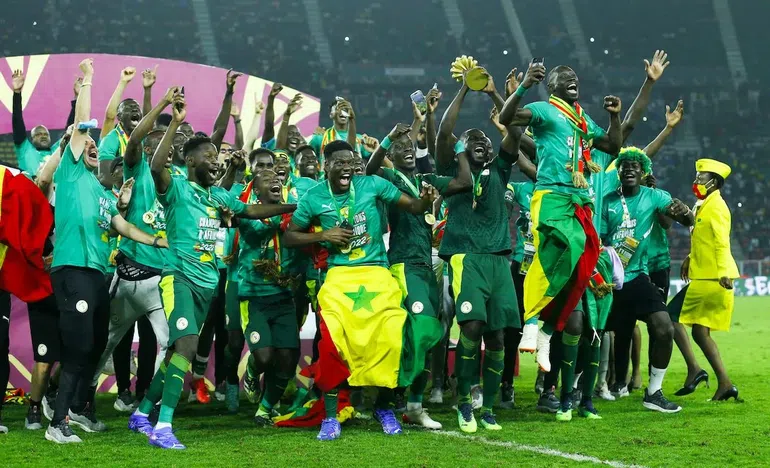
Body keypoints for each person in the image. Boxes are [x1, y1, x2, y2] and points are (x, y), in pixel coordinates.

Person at [127, 91, 295, 450]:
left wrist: (290, 207)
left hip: (207, 285)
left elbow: (250, 211)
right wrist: (174, 121)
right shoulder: (176, 187)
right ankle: (163, 427)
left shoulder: (218, 197)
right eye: (208, 157)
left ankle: (141, 414)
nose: (216, 162)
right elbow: (155, 167)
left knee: (175, 354)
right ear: (190, 161)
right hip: (179, 279)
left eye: (217, 158)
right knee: (186, 347)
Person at [46, 58, 169, 444]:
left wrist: (155, 240)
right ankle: (57, 421)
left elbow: (123, 226)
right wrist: (89, 80)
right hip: (72, 271)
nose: (93, 147)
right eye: (87, 144)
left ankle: (79, 409)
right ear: (74, 150)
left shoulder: (101, 193)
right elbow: (86, 123)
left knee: (97, 345)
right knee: (79, 347)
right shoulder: (70, 173)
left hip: (97, 277)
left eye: (95, 146)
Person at [283, 140, 437, 441]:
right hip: (339, 277)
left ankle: (384, 407)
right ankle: (331, 417)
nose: (347, 168)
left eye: (351, 162)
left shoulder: (372, 184)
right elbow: (290, 237)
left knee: (392, 336)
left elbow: (414, 206)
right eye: (339, 163)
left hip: (376, 272)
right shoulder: (314, 197)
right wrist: (324, 234)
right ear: (326, 166)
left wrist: (425, 200)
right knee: (332, 345)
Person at [499, 61, 622, 379]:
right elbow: (506, 118)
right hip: (551, 196)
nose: (572, 79)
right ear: (552, 86)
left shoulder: (582, 120)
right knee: (552, 254)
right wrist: (524, 85)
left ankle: (546, 332)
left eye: (575, 77)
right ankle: (529, 323)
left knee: (580, 268)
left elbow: (612, 145)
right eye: (565, 77)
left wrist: (614, 117)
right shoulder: (543, 110)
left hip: (578, 201)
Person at [435, 69, 532, 432]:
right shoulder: (452, 171)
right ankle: (463, 401)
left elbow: (515, 133)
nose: (481, 142)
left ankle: (488, 406)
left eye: (485, 140)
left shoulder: (500, 171)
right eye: (472, 139)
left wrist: (501, 94)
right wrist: (464, 88)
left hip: (499, 261)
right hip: (466, 259)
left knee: (498, 336)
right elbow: (444, 132)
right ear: (462, 148)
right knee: (471, 326)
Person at [366, 120, 472, 428]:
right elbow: (369, 170)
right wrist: (388, 138)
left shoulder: (427, 179)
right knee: (421, 330)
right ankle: (387, 401)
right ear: (392, 156)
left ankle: (413, 405)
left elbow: (464, 182)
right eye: (400, 148)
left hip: (427, 267)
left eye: (410, 147)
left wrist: (460, 149)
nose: (408, 151)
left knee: (428, 335)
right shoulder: (390, 178)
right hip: (402, 264)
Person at [90, 86, 182, 414]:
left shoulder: (180, 179)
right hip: (130, 275)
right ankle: (80, 401)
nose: (166, 152)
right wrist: (163, 104)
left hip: (164, 278)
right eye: (158, 146)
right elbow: (133, 141)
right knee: (106, 343)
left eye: (169, 146)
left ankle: (151, 404)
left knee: (170, 344)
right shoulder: (137, 168)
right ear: (146, 151)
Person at [601, 147, 694, 414]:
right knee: (596, 333)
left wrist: (685, 211)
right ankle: (577, 389)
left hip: (637, 278)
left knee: (663, 326)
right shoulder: (606, 202)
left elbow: (686, 220)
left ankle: (653, 392)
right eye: (625, 166)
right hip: (608, 279)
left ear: (643, 173)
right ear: (617, 172)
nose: (630, 169)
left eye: (635, 166)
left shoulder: (654, 196)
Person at [667, 159, 740, 401]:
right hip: (705, 276)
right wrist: (689, 257)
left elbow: (721, 241)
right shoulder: (703, 204)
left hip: (712, 279)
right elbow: (704, 239)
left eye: (701, 177)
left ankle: (694, 370)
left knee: (669, 317)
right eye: (696, 176)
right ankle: (725, 385)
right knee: (699, 332)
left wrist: (724, 272)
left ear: (714, 182)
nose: (696, 181)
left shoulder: (717, 206)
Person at [237, 169, 300, 426]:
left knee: (287, 358)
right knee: (264, 357)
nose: (275, 180)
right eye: (266, 179)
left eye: (277, 178)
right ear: (256, 190)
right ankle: (252, 372)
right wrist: (292, 208)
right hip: (255, 298)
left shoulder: (293, 217)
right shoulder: (247, 213)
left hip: (284, 296)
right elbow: (249, 219)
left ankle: (265, 408)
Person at [11, 70, 62, 177]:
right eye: (38, 134)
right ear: (32, 139)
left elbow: (72, 130)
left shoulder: (57, 151)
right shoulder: (26, 150)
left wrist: (77, 98)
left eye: (45, 134)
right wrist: (17, 93)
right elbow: (17, 121)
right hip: (30, 187)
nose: (43, 136)